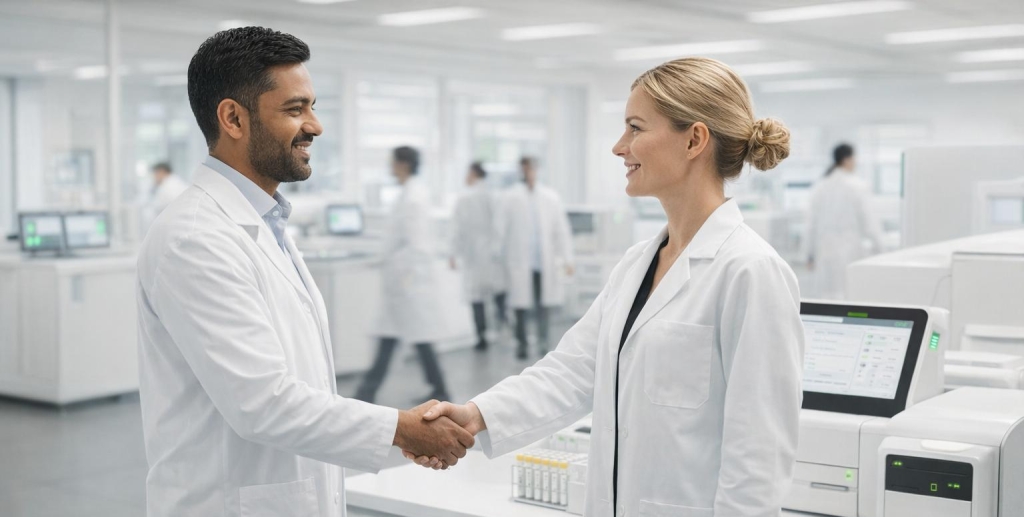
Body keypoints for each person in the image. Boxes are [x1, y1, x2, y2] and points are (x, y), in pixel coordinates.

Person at [409, 57, 806, 516]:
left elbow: (758, 457)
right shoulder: (637, 264)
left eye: (636, 128)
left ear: (694, 139)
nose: (620, 147)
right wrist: (476, 416)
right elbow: (572, 371)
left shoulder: (750, 272)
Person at [136, 27, 471, 517]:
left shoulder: (265, 222)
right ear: (233, 118)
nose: (315, 125)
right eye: (295, 110)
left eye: (312, 106)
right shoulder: (196, 237)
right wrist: (402, 428)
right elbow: (262, 402)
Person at [355, 146, 451, 404]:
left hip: (409, 284)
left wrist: (402, 278)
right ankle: (437, 389)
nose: (390, 167)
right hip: (404, 284)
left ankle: (366, 392)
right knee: (407, 338)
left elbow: (417, 245)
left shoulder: (414, 197)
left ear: (404, 164)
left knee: (404, 338)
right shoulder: (409, 193)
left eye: (393, 162)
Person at [499, 156, 574, 359]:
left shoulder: (550, 197)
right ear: (520, 170)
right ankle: (521, 344)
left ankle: (543, 342)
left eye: (531, 168)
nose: (528, 172)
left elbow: (561, 230)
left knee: (543, 304)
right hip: (519, 261)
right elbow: (501, 231)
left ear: (536, 169)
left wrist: (567, 258)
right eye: (524, 169)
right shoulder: (510, 197)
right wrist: (499, 258)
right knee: (520, 307)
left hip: (544, 262)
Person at [807, 143, 883, 300]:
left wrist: (809, 255)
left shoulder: (820, 187)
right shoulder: (858, 186)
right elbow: (870, 223)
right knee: (850, 295)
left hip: (824, 251)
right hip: (849, 250)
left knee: (827, 298)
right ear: (847, 159)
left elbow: (810, 225)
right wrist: (880, 250)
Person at [449, 162, 507, 351]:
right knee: (496, 293)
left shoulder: (465, 197)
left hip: (474, 255)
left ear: (473, 173)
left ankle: (481, 337)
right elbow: (500, 226)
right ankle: (503, 328)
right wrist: (497, 249)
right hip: (491, 255)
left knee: (477, 298)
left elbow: (458, 229)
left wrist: (453, 253)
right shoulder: (493, 195)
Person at [141, 162, 189, 233]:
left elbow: (156, 211)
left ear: (161, 172)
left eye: (155, 174)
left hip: (176, 227)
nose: (154, 177)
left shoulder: (167, 187)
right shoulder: (175, 182)